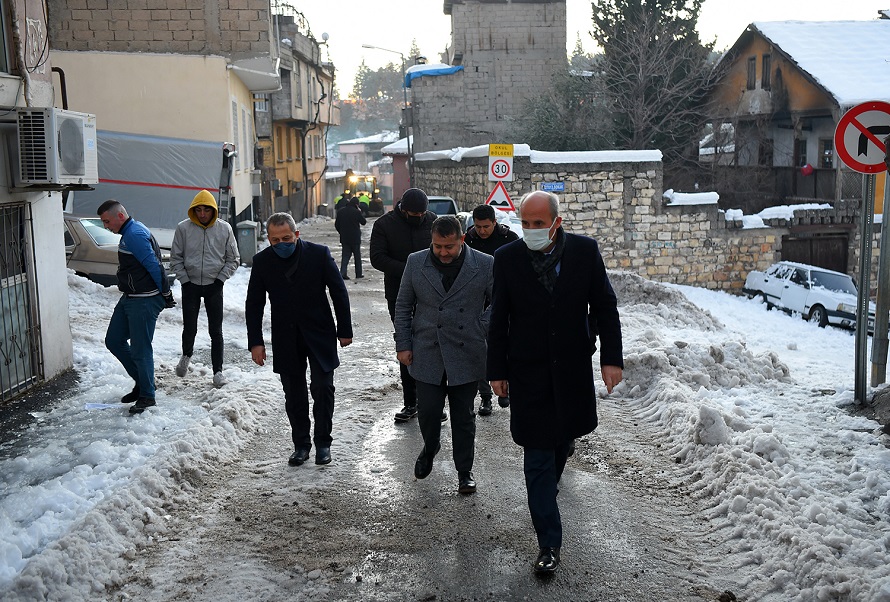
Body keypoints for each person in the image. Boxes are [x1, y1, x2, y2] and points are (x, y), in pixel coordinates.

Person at [487, 191, 623, 575]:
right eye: (524, 223)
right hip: (527, 371)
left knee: (561, 443)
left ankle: (553, 476)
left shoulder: (584, 252)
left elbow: (605, 306)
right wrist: (496, 369)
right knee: (538, 459)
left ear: (556, 223)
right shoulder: (507, 258)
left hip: (571, 369)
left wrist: (611, 358)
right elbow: (499, 317)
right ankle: (549, 542)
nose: (530, 230)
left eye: (538, 224)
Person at [394, 215, 493, 494]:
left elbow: (500, 303)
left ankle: (465, 471)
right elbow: (403, 306)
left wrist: (480, 326)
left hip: (467, 348)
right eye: (437, 246)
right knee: (428, 412)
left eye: (448, 247)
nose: (443, 252)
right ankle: (431, 446)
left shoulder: (484, 264)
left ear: (461, 239)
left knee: (464, 416)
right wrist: (403, 344)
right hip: (427, 349)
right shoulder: (416, 262)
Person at [245, 212, 353, 467]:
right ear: (268, 240)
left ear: (296, 234)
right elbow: (254, 304)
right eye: (275, 240)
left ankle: (323, 443)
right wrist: (256, 342)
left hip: (320, 333)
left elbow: (339, 291)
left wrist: (344, 329)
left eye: (286, 238)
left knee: (323, 388)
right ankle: (301, 445)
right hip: (285, 336)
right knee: (294, 395)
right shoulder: (262, 262)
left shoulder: (319, 254)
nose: (281, 244)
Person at [370, 187, 447, 424]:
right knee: (407, 343)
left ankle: (432, 403)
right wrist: (411, 270)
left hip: (433, 294)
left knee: (433, 344)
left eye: (422, 214)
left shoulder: (433, 221)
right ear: (403, 209)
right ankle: (411, 402)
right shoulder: (384, 224)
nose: (419, 219)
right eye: (414, 215)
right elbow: (377, 258)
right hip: (399, 294)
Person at [97, 200, 175, 414]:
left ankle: (148, 396)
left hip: (144, 299)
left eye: (107, 221)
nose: (106, 226)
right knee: (114, 340)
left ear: (120, 216)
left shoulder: (135, 235)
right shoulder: (130, 232)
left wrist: (165, 294)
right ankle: (143, 382)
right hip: (131, 297)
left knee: (141, 349)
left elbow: (154, 265)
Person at [170, 189, 240, 387]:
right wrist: (184, 280)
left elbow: (233, 259)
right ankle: (186, 355)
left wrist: (220, 280)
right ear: (193, 210)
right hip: (190, 285)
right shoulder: (183, 229)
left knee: (215, 330)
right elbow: (176, 258)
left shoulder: (224, 229)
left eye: (206, 210)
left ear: (213, 211)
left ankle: (218, 371)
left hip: (213, 286)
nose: (202, 214)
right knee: (189, 326)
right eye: (198, 210)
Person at [464, 203, 518, 415]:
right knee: (480, 350)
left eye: (486, 226)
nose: (482, 231)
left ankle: (506, 389)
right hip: (477, 300)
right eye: (478, 226)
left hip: (506, 298)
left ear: (494, 223)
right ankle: (485, 396)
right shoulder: (468, 240)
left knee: (508, 346)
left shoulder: (509, 239)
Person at [334, 196, 366, 280]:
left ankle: (343, 273)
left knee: (345, 256)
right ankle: (358, 273)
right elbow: (363, 222)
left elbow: (337, 225)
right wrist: (360, 212)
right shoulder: (356, 212)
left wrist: (341, 232)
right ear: (356, 204)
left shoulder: (341, 211)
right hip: (355, 238)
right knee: (357, 257)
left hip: (345, 238)